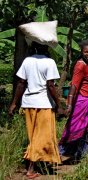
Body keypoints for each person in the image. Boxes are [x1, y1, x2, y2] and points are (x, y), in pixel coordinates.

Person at [9, 41, 62, 178]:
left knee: (34, 136)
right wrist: (59, 105)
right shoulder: (50, 62)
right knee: (41, 137)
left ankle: (35, 164)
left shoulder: (27, 61)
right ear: (46, 48)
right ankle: (31, 169)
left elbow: (21, 83)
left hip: (28, 103)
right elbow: (50, 85)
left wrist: (14, 103)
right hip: (43, 103)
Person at [59, 40, 88, 161]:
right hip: (82, 102)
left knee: (87, 128)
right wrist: (69, 103)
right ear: (82, 52)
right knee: (77, 127)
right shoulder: (80, 65)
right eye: (86, 51)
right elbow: (74, 85)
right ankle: (63, 153)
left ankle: (81, 154)